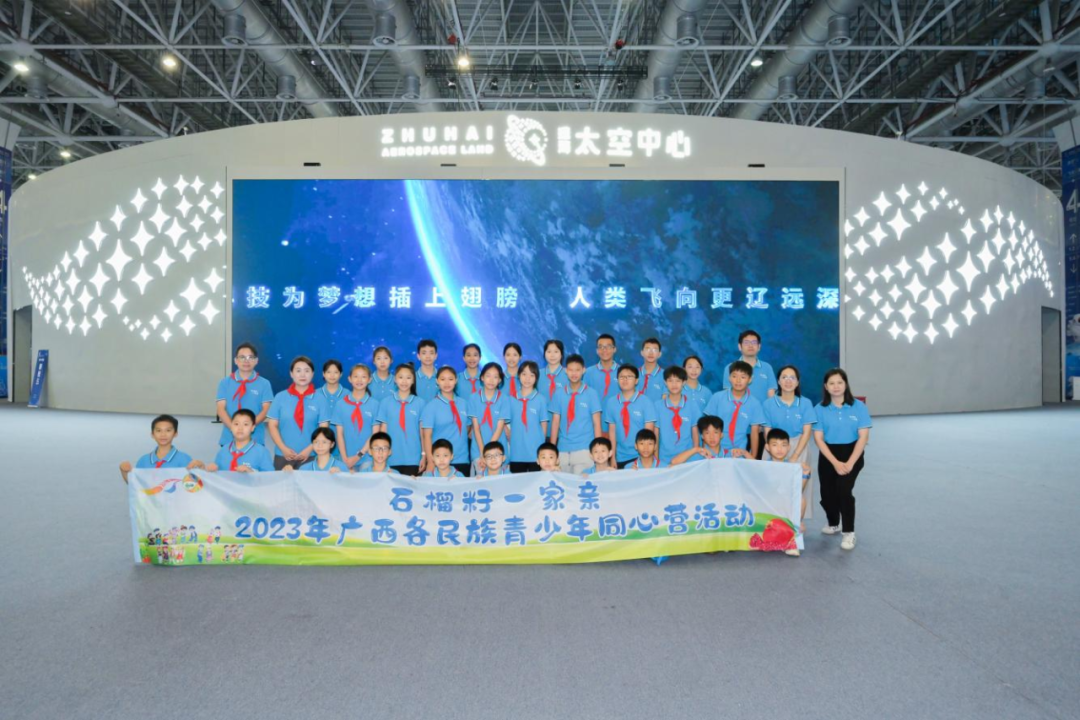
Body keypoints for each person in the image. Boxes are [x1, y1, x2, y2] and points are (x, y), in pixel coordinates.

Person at [814, 368, 871, 551]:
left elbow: (863, 437)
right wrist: (835, 463)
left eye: (840, 382)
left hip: (852, 453)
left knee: (844, 491)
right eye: (831, 383)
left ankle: (849, 532)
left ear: (845, 384)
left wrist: (850, 463)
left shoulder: (859, 407)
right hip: (828, 455)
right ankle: (833, 522)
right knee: (827, 494)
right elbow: (818, 439)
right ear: (826, 387)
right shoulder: (819, 408)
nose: (836, 386)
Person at [549, 354, 603, 474]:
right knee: (562, 483)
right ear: (566, 371)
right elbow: (555, 422)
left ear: (583, 370)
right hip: (563, 450)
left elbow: (597, 423)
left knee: (582, 484)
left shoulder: (591, 393)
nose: (574, 373)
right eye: (571, 370)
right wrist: (552, 449)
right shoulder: (558, 394)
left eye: (577, 370)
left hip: (585, 450)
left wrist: (598, 449)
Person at [266, 356, 321, 470]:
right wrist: (283, 449)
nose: (302, 375)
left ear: (312, 374)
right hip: (283, 455)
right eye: (298, 370)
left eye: (307, 371)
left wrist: (310, 449)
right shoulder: (280, 397)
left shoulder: (320, 399)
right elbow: (272, 425)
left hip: (312, 455)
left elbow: (323, 429)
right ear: (291, 374)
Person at [762, 428, 811, 556]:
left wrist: (805, 474)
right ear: (767, 447)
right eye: (775, 445)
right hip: (768, 506)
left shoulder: (793, 467)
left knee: (801, 500)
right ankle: (780, 533)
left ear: (789, 447)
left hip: (785, 505)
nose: (779, 449)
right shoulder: (762, 467)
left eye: (783, 445)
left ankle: (791, 538)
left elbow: (798, 490)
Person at [215, 342, 273, 446]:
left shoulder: (264, 383)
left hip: (255, 439)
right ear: (236, 360)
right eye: (242, 357)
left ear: (256, 361)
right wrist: (234, 429)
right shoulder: (225, 383)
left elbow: (266, 410)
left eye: (250, 357)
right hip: (229, 439)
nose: (246, 361)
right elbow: (220, 409)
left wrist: (248, 428)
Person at [704, 360, 765, 459]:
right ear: (729, 378)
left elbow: (754, 432)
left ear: (750, 379)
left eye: (743, 377)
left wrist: (753, 456)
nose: (738, 380)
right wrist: (705, 450)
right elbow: (707, 426)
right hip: (714, 449)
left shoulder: (755, 403)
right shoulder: (717, 397)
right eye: (734, 376)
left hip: (739, 451)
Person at [603, 364, 658, 468]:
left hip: (640, 457)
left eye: (629, 376)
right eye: (622, 377)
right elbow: (612, 432)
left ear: (636, 380)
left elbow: (649, 434)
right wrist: (612, 457)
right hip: (620, 457)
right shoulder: (611, 402)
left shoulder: (646, 402)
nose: (625, 380)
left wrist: (645, 458)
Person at [376, 363, 425, 476]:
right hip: (390, 457)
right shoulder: (385, 402)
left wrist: (424, 455)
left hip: (413, 458)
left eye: (408, 378)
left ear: (413, 380)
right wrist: (382, 453)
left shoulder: (420, 403)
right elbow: (383, 431)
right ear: (395, 379)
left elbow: (422, 432)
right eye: (401, 377)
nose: (404, 381)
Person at [420, 366, 471, 477]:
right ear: (437, 381)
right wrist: (430, 461)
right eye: (443, 379)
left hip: (462, 458)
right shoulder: (431, 406)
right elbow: (427, 436)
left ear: (456, 380)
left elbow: (467, 428)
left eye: (450, 379)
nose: (447, 383)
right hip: (439, 461)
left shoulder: (464, 403)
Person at [762, 365, 817, 464]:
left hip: (799, 447)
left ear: (797, 382)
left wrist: (795, 456)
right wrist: (774, 451)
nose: (788, 381)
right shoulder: (768, 404)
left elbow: (807, 433)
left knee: (799, 474)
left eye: (792, 378)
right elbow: (767, 432)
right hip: (774, 446)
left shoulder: (806, 403)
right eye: (784, 377)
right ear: (778, 381)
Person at [119, 414, 198, 483]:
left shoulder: (185, 459)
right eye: (158, 430)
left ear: (175, 434)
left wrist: (201, 469)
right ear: (152, 434)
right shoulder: (143, 460)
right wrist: (124, 472)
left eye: (168, 430)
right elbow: (137, 485)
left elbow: (193, 486)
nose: (163, 434)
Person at [332, 363, 378, 470]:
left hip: (367, 458)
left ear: (369, 380)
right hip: (344, 458)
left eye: (363, 377)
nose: (359, 380)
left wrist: (359, 455)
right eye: (356, 376)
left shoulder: (375, 404)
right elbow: (339, 434)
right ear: (349, 379)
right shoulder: (340, 404)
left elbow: (375, 434)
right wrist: (345, 459)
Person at [467, 362, 510, 473]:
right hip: (478, 450)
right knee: (480, 480)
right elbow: (476, 428)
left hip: (498, 450)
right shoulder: (473, 398)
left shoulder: (504, 399)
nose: (491, 380)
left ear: (500, 380)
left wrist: (489, 453)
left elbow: (499, 428)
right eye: (488, 376)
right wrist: (483, 453)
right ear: (482, 377)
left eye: (495, 377)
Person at [656, 366, 701, 465]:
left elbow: (695, 433)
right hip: (664, 458)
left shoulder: (692, 405)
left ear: (684, 382)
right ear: (665, 382)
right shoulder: (658, 406)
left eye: (678, 381)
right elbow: (656, 434)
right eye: (670, 381)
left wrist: (695, 455)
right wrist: (656, 460)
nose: (674, 384)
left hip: (687, 458)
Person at [507, 360, 547, 473]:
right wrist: (508, 433)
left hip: (535, 452)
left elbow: (544, 424)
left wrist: (542, 447)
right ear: (519, 375)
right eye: (524, 374)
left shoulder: (541, 399)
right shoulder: (511, 399)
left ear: (536, 378)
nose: (527, 378)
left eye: (531, 375)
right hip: (516, 452)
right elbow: (505, 422)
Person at [206, 409, 275, 472]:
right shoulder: (223, 451)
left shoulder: (262, 452)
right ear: (231, 427)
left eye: (245, 424)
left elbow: (269, 478)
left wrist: (251, 472)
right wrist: (211, 470)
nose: (240, 428)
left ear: (252, 428)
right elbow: (217, 475)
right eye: (236, 424)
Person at [723, 330, 776, 404]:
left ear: (759, 346)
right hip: (738, 410)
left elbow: (771, 395)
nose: (750, 345)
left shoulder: (767, 368)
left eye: (754, 342)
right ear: (739, 346)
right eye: (746, 342)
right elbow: (727, 396)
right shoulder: (730, 368)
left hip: (762, 411)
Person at [670, 415, 742, 464]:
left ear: (721, 435)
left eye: (715, 432)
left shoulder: (730, 455)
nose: (712, 437)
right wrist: (695, 449)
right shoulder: (699, 455)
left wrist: (744, 453)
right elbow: (674, 462)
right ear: (702, 436)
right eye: (707, 433)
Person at [584, 333, 619, 401]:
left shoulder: (623, 372)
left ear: (614, 349)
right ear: (597, 350)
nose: (604, 350)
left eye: (608, 346)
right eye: (600, 347)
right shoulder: (588, 372)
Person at [314, 360, 346, 424]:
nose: (332, 375)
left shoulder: (348, 395)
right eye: (328, 372)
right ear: (323, 374)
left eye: (336, 372)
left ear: (341, 374)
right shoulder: (315, 394)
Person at [636, 338, 665, 404]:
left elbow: (664, 403)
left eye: (655, 350)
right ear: (642, 353)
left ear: (659, 354)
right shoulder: (633, 374)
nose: (651, 353)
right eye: (647, 349)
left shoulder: (665, 375)